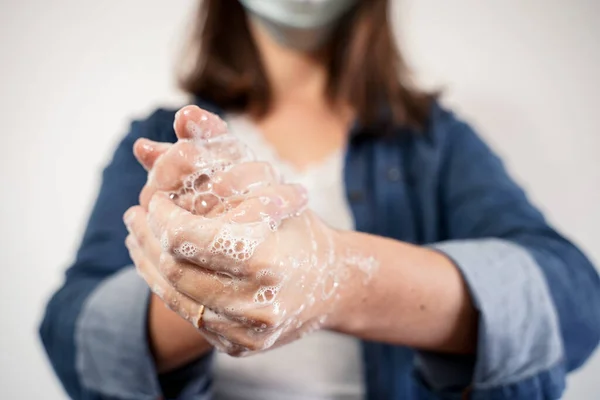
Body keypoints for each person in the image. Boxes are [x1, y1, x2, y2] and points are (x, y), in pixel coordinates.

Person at [40, 0, 600, 399]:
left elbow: (571, 300)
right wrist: (221, 280)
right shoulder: (164, 138)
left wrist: (335, 277)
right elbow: (71, 331)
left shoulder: (432, 141)